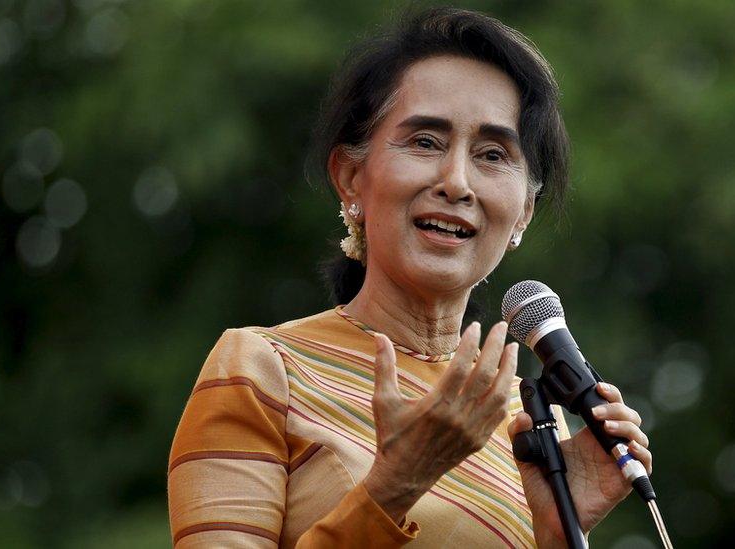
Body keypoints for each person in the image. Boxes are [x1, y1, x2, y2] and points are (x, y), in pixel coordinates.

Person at [167, 7, 652, 548]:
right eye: (425, 142)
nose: (456, 182)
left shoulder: (526, 418)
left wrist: (560, 535)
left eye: (493, 154)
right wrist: (397, 483)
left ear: (523, 213)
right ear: (351, 177)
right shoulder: (263, 370)